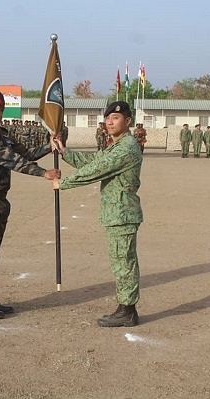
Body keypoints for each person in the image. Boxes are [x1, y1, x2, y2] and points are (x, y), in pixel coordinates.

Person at [0, 89, 61, 319]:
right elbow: (11, 160)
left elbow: (25, 154)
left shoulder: (3, 135)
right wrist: (43, 173)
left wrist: (49, 146)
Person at [51, 101, 143, 328]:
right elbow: (94, 160)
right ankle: (125, 307)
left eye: (115, 118)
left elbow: (96, 170)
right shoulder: (115, 145)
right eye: (108, 118)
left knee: (124, 263)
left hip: (123, 213)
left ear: (128, 121)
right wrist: (65, 152)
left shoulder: (126, 148)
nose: (109, 122)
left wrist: (63, 183)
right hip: (116, 214)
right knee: (120, 262)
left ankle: (128, 310)